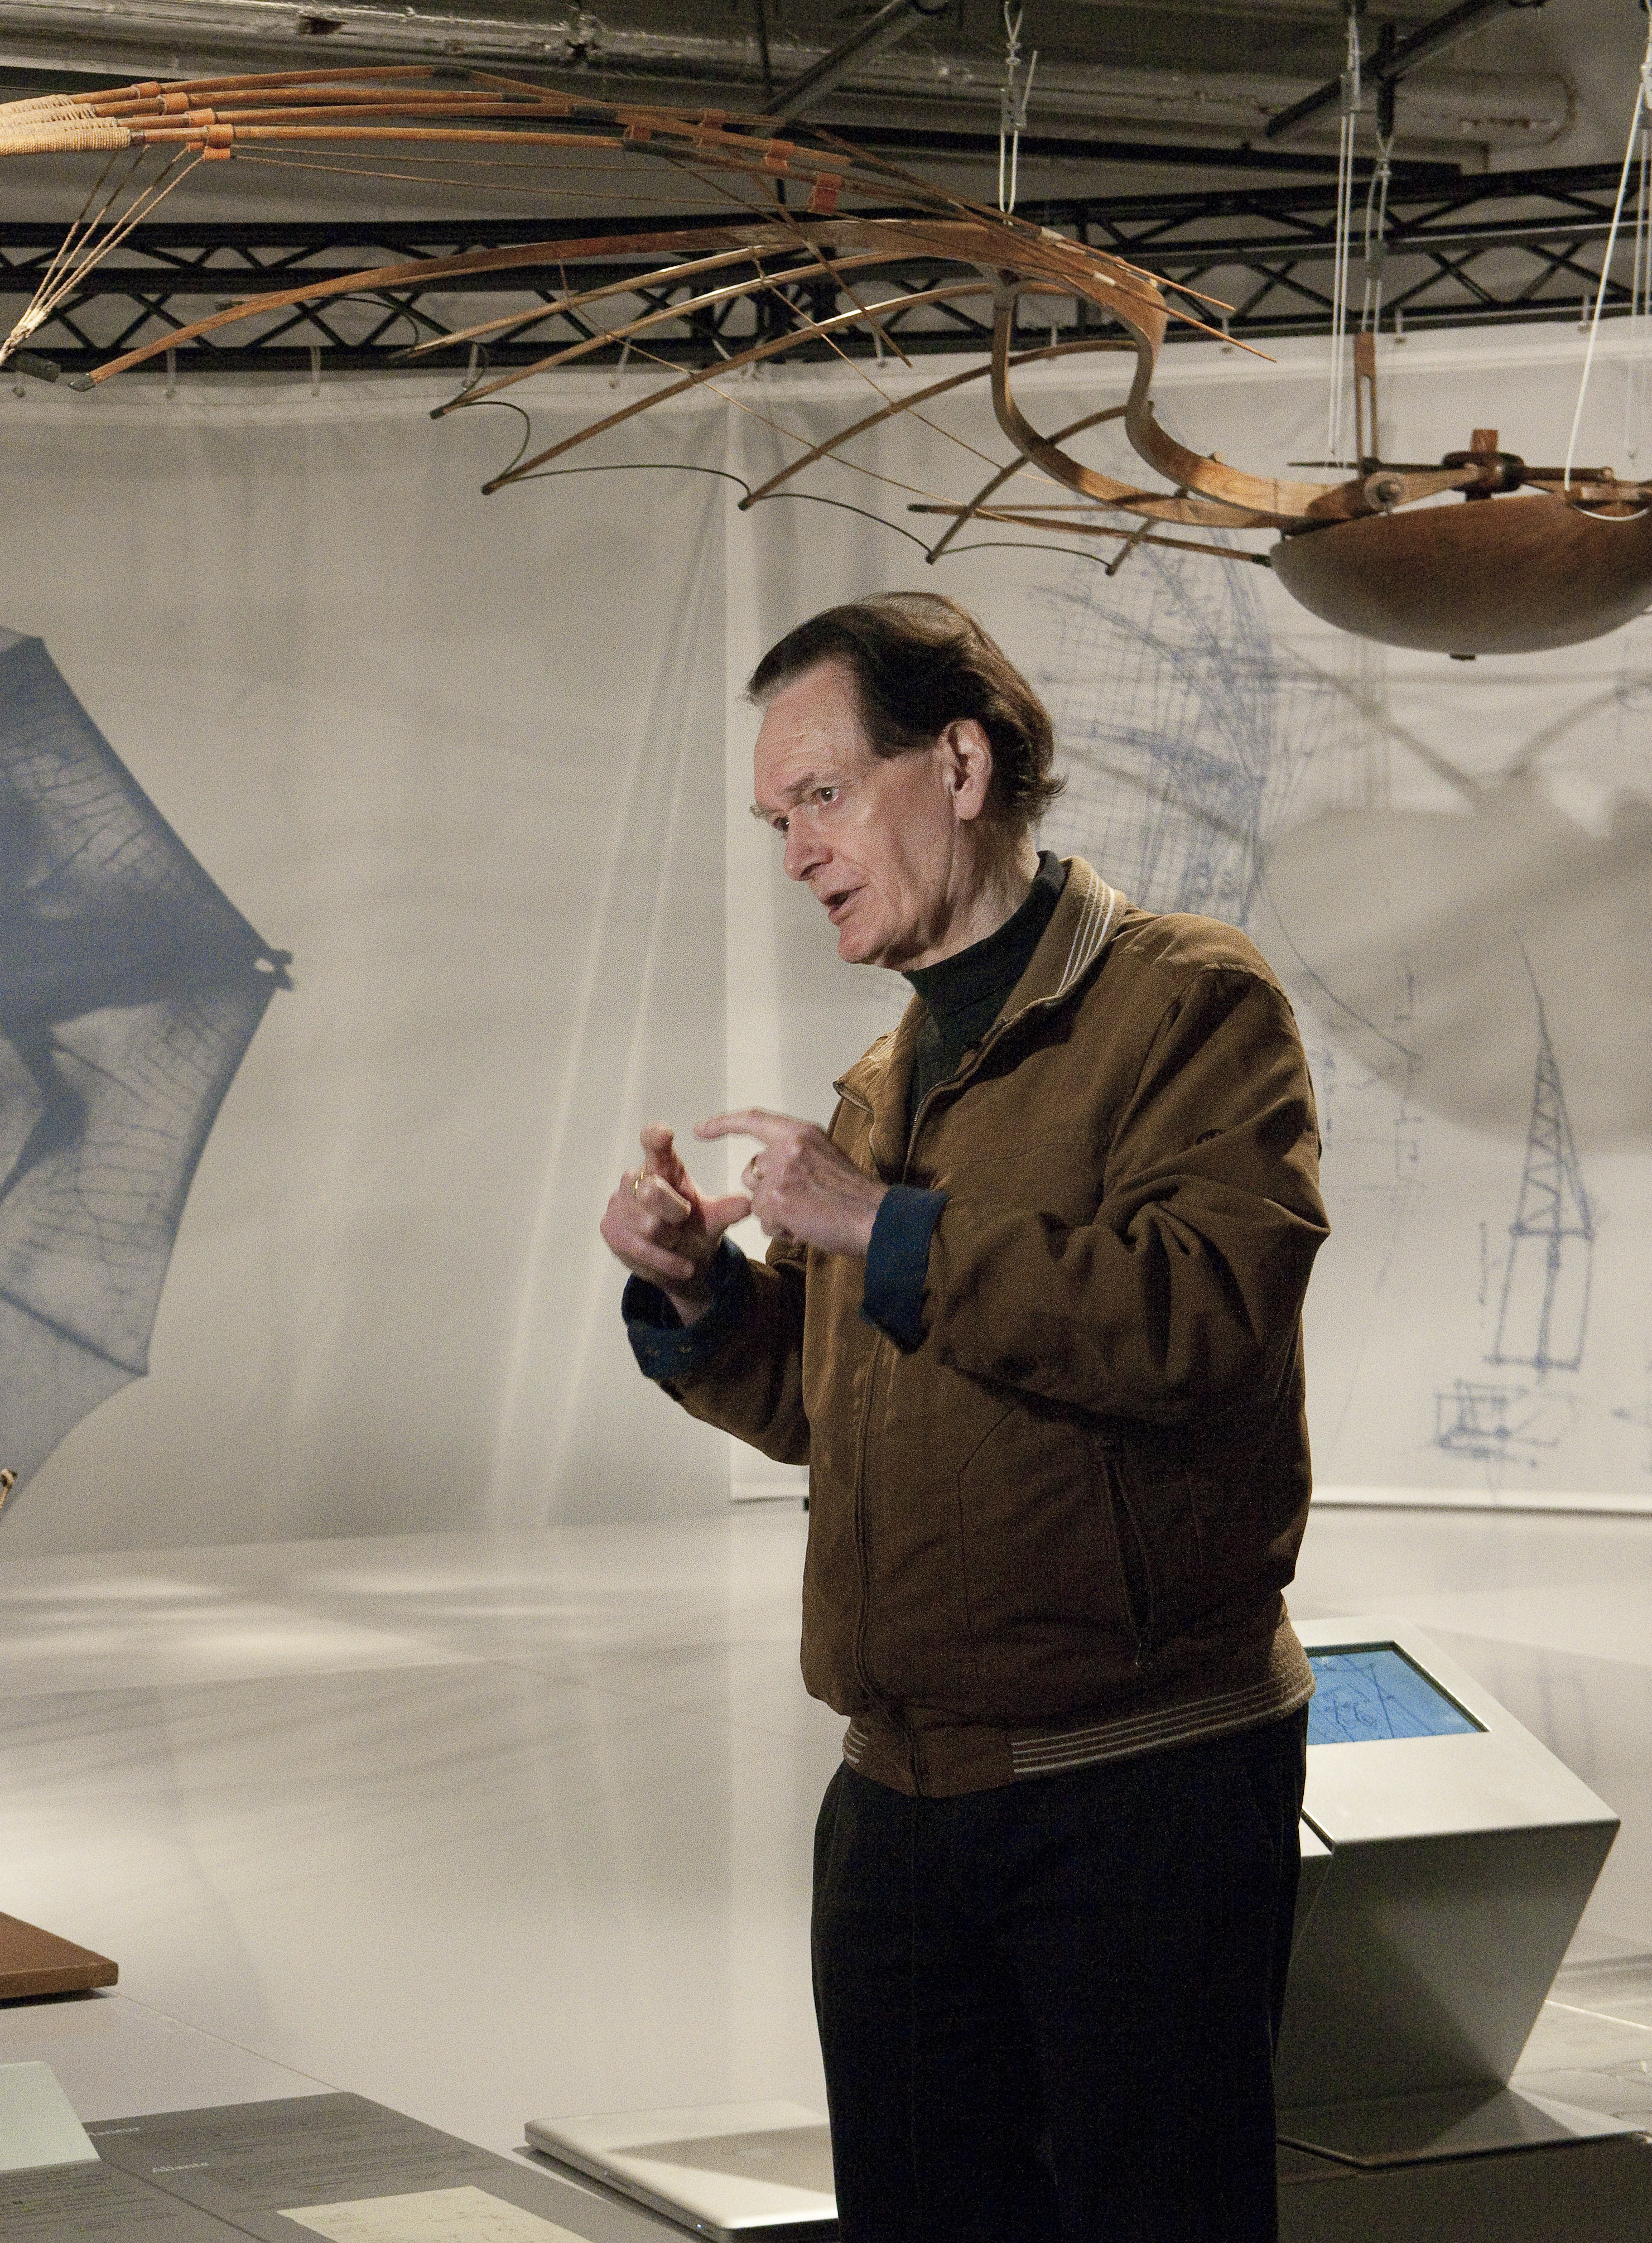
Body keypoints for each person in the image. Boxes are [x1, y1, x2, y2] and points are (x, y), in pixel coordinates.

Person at [599, 592, 1328, 2243]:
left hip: (1134, 1787)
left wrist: (880, 1226)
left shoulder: (1190, 1005)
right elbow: (841, 1403)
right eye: (776, 816)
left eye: (821, 796)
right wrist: (702, 1297)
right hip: (901, 1803)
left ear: (962, 760)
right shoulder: (887, 1077)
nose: (794, 850)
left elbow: (1200, 1315)